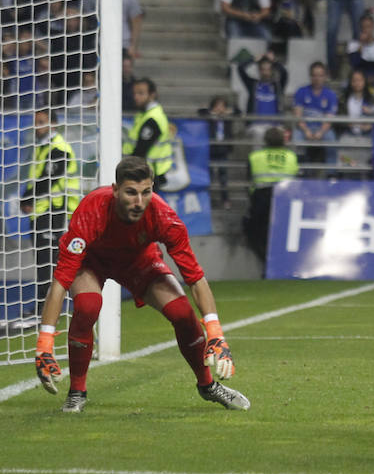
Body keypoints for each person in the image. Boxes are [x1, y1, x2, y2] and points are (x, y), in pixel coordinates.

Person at [33, 156, 250, 413]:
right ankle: (77, 392)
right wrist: (45, 341)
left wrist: (215, 332)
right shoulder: (91, 210)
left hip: (138, 261)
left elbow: (195, 277)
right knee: (88, 305)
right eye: (131, 193)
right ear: (115, 190)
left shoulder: (164, 217)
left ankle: (208, 386)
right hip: (93, 262)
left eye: (146, 192)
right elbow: (60, 281)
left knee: (182, 312)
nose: (139, 202)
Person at [16, 109, 80, 330]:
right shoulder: (43, 148)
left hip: (55, 211)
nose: (37, 127)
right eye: (36, 122)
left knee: (48, 261)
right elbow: (37, 178)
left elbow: (48, 179)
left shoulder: (59, 149)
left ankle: (47, 309)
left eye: (42, 122)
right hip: (42, 210)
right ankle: (44, 308)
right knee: (44, 259)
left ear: (54, 124)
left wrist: (26, 198)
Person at [244, 127, 299, 265]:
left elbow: (249, 176)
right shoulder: (291, 156)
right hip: (284, 198)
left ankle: (266, 261)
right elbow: (295, 176)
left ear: (265, 140)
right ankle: (281, 262)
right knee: (282, 232)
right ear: (283, 140)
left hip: (261, 198)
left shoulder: (255, 156)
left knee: (257, 231)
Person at [123, 78, 172, 190]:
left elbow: (141, 150)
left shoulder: (152, 119)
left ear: (152, 95)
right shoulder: (145, 115)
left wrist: (126, 170)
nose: (136, 97)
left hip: (148, 174)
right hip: (146, 172)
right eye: (135, 93)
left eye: (141, 93)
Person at [292, 61, 339, 167]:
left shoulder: (331, 95)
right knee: (296, 140)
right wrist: (306, 130)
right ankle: (298, 171)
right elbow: (298, 116)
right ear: (310, 76)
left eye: (320, 75)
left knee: (331, 140)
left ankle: (331, 174)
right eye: (314, 75)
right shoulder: (301, 91)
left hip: (323, 128)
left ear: (325, 76)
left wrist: (320, 132)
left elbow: (329, 119)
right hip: (304, 127)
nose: (317, 78)